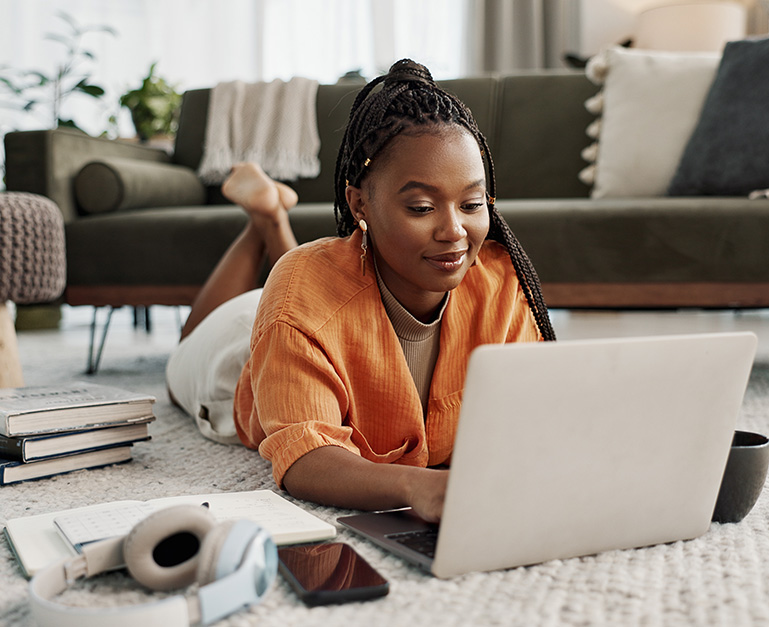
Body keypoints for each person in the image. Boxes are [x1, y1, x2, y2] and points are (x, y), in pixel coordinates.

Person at [167, 59, 556, 523]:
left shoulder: (500, 283)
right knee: (189, 344)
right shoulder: (299, 297)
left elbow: (535, 412)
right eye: (422, 207)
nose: (454, 231)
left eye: (472, 203)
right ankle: (265, 223)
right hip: (234, 358)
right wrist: (417, 485)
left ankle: (271, 218)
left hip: (309, 305)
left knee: (301, 283)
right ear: (359, 203)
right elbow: (305, 455)